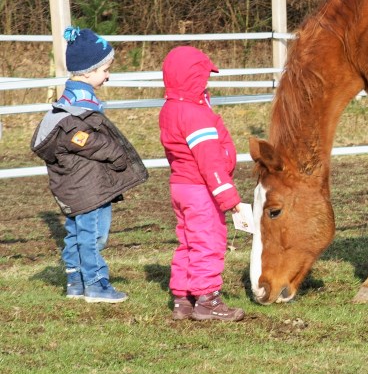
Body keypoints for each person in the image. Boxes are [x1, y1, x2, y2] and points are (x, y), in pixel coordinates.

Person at [31, 26, 148, 303]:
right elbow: (81, 139)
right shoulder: (80, 107)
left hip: (78, 183)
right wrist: (115, 153)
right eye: (105, 69)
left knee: (76, 231)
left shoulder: (68, 102)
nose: (108, 75)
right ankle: (95, 284)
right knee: (93, 234)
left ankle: (75, 281)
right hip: (89, 187)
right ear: (87, 72)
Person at [159, 46, 245, 322]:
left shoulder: (171, 108)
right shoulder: (195, 115)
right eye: (204, 76)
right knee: (207, 241)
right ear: (192, 77)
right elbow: (210, 162)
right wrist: (230, 199)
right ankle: (208, 299)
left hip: (180, 185)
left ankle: (182, 299)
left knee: (187, 241)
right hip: (201, 189)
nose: (207, 82)